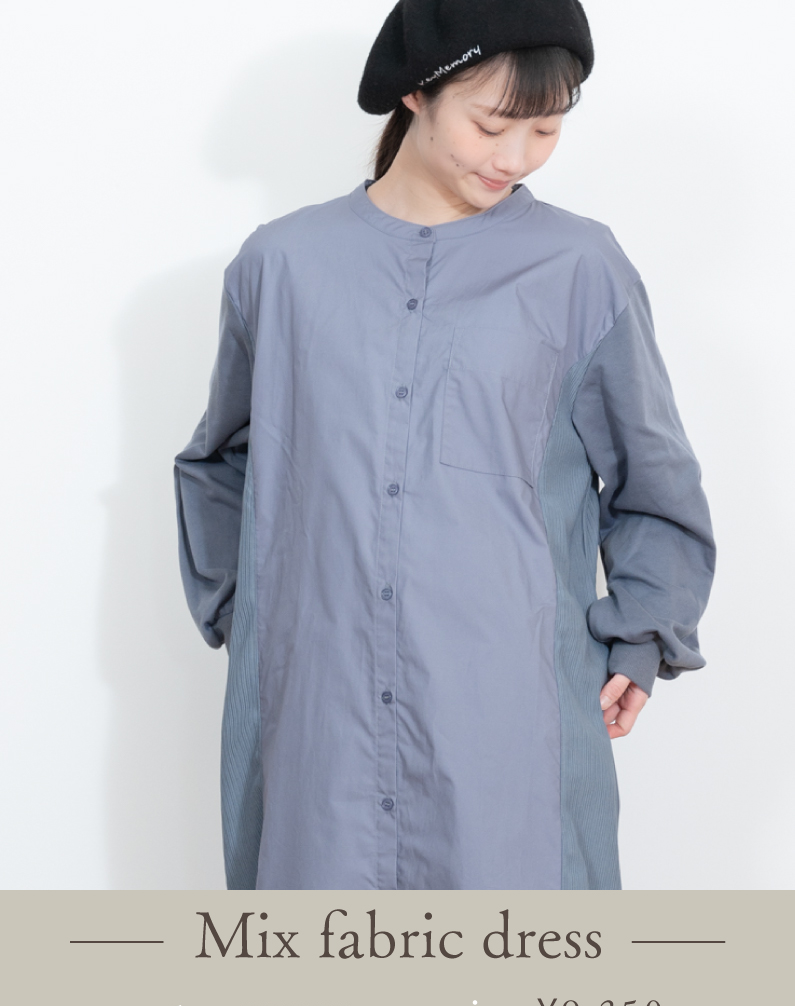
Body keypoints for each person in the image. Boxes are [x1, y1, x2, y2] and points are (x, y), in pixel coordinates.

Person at [173, 0, 716, 891]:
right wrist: (265, 626)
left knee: (518, 966)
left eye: (546, 129)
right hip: (316, 730)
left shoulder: (580, 269)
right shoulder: (281, 267)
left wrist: (640, 636)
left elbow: (652, 482)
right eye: (491, 124)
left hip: (509, 725)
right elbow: (220, 463)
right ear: (415, 93)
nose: (515, 157)